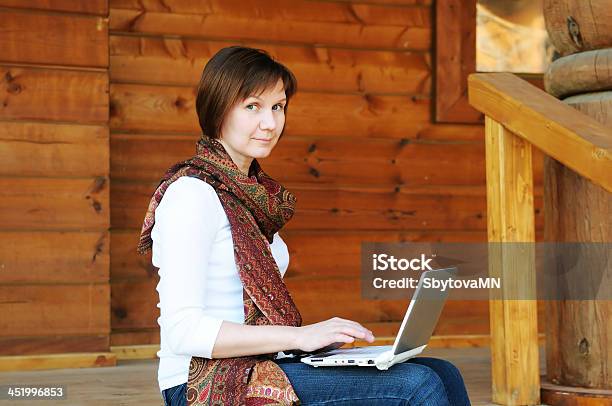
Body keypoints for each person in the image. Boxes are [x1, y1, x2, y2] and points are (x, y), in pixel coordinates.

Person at [137, 45, 471, 406]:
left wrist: (314, 342)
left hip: (263, 362)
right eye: (253, 107)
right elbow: (183, 331)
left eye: (277, 107)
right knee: (416, 385)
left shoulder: (252, 196)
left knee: (443, 371)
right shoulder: (192, 195)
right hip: (201, 380)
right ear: (218, 107)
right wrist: (299, 337)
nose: (270, 123)